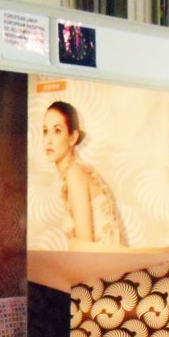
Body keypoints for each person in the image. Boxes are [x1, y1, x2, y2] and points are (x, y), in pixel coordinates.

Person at [43, 100, 123, 250]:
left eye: (57, 131)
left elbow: (84, 249)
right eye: (45, 131)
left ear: (73, 138)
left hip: (102, 263)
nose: (49, 140)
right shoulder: (75, 172)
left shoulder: (75, 175)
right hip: (100, 262)